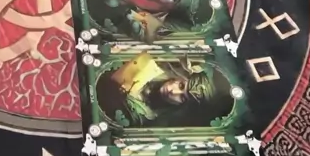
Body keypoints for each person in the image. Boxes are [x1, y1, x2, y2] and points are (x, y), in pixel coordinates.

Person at [96, 51, 234, 127]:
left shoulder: (145, 117)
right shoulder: (153, 63)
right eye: (181, 86)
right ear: (181, 77)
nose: (173, 91)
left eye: (182, 97)